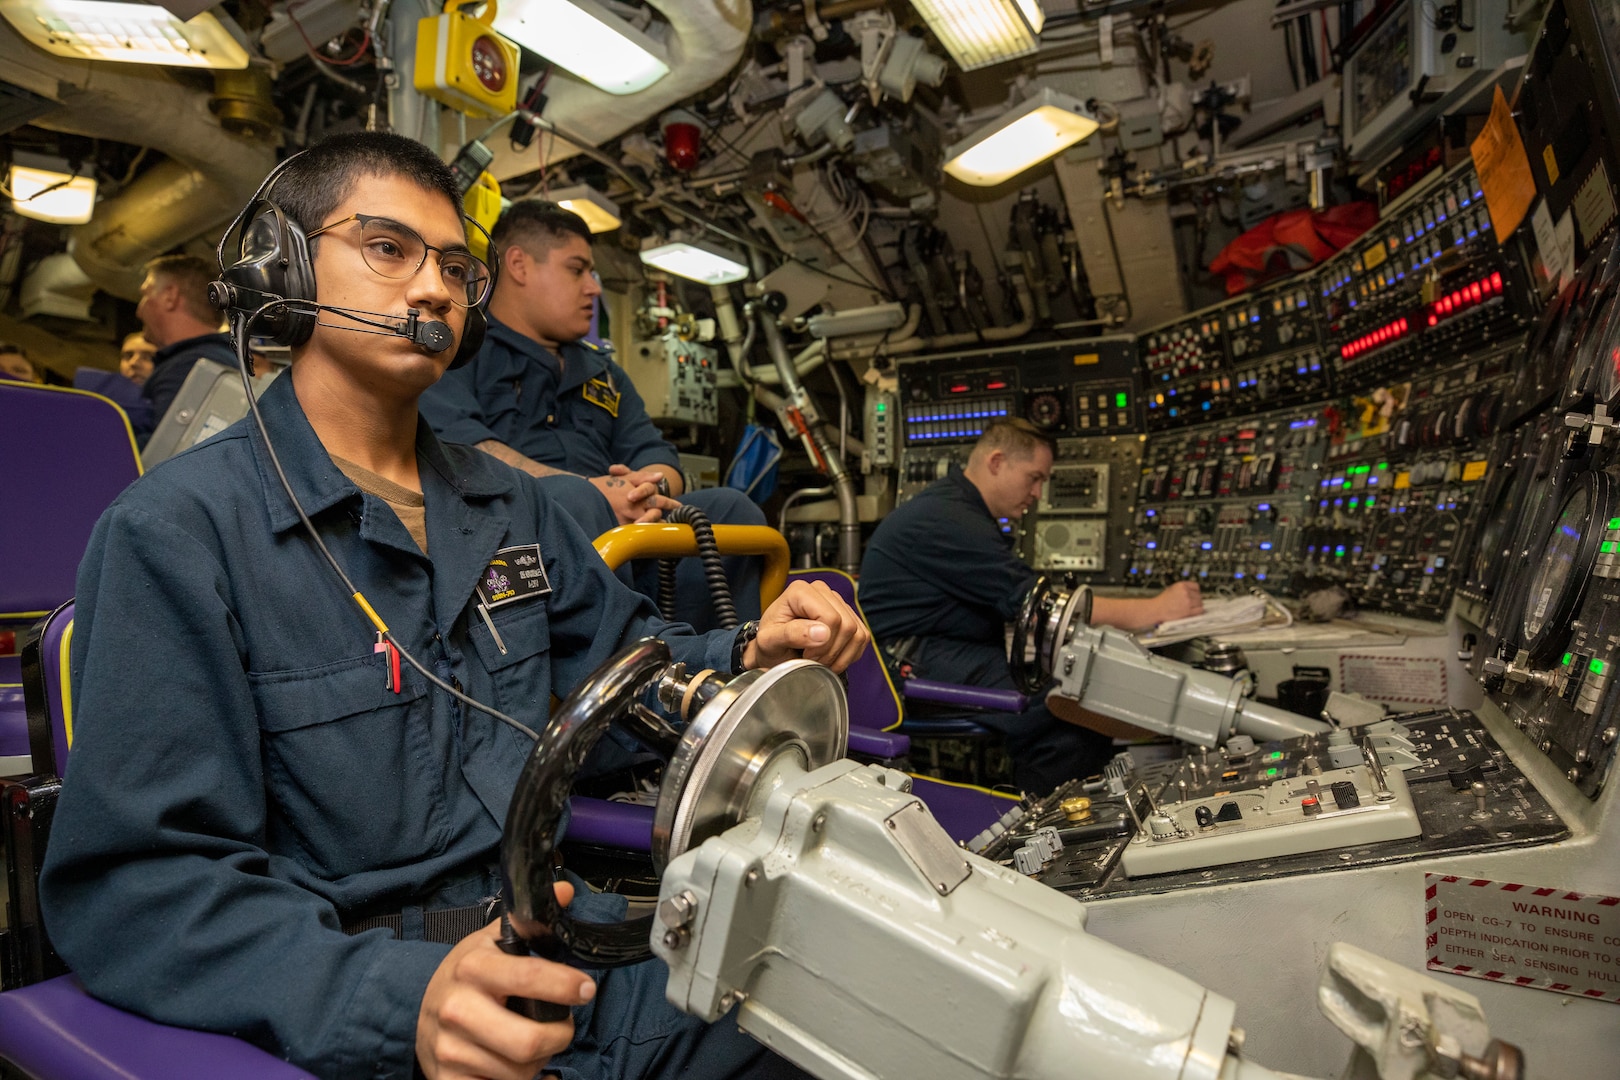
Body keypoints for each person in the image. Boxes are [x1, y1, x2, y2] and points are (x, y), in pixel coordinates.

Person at [40, 131, 868, 1080]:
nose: (434, 289)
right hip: (388, 1013)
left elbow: (626, 671)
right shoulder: (179, 534)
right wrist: (397, 1001)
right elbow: (139, 889)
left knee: (865, 1014)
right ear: (286, 265)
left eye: (454, 268)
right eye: (390, 249)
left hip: (570, 957)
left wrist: (747, 651)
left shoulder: (513, 504)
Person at [419, 200, 767, 634]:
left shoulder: (603, 373)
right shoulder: (461, 351)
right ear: (520, 266)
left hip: (623, 524)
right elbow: (464, 450)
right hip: (515, 538)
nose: (594, 288)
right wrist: (595, 492)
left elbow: (658, 456)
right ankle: (618, 678)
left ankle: (718, 674)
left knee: (732, 508)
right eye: (577, 269)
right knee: (575, 500)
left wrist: (646, 489)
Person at [859, 418, 1203, 792]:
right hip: (905, 663)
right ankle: (1047, 827)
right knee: (1065, 698)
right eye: (1034, 477)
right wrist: (1155, 610)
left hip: (935, 651)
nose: (1039, 492)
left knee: (1075, 690)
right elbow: (1040, 607)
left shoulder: (958, 509)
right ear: (996, 462)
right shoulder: (945, 518)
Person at [133, 252, 236, 444]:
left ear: (170, 297)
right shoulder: (222, 358)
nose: (139, 311)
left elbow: (161, 456)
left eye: (145, 295)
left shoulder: (188, 367)